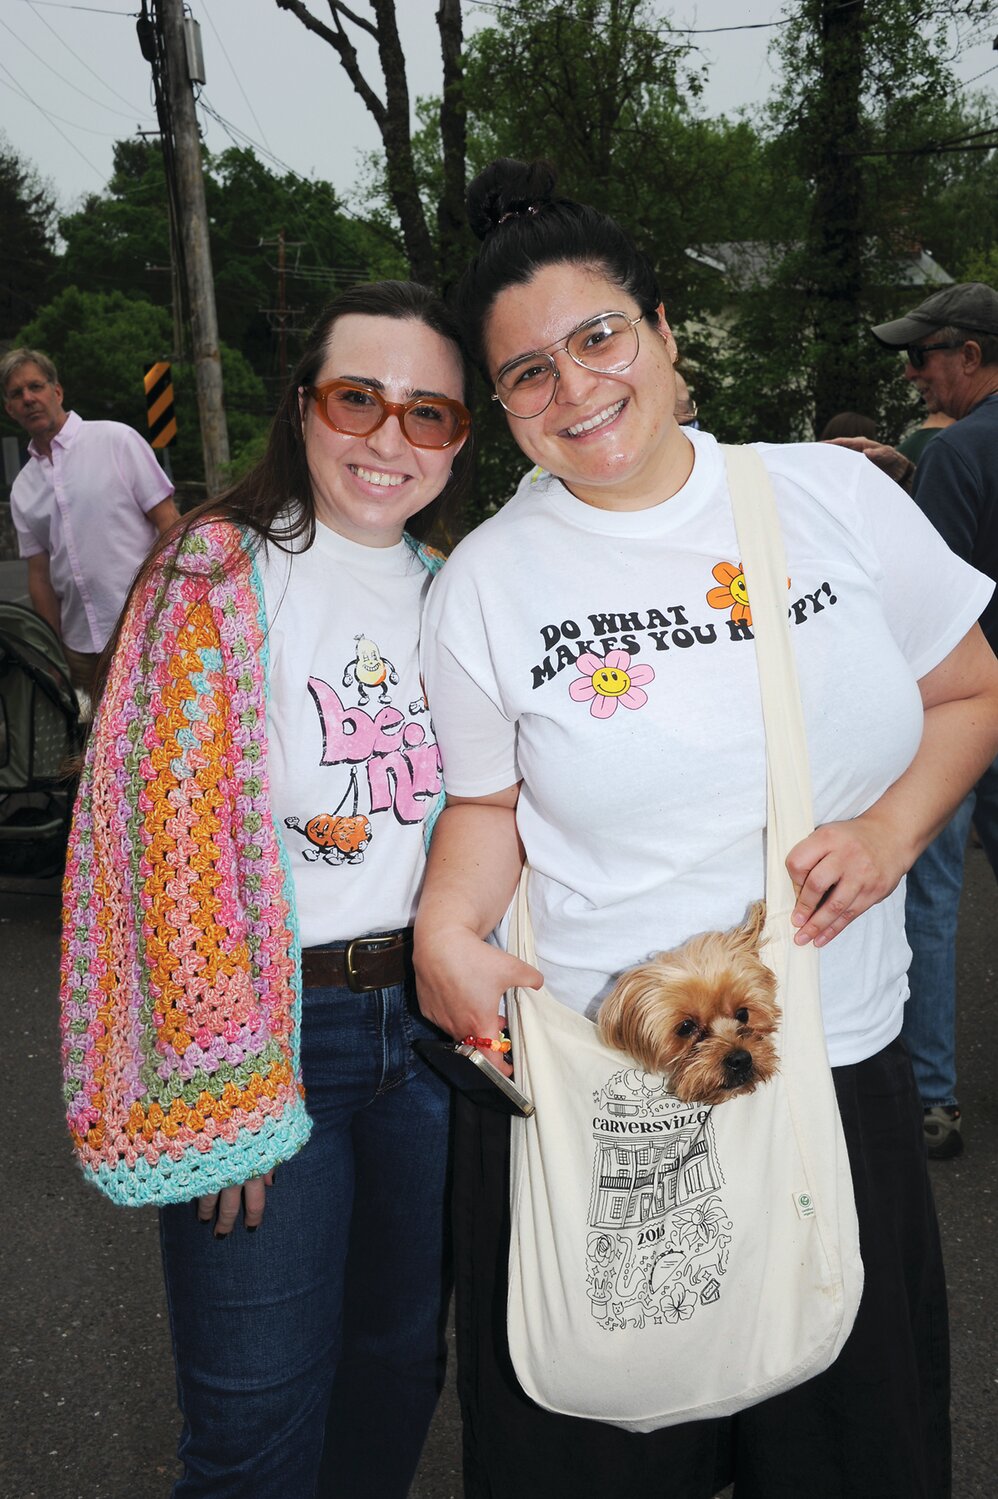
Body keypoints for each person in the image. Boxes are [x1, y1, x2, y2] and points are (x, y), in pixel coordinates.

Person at [413, 161, 998, 1499]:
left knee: (845, 1454)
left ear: (664, 329)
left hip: (828, 1062)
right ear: (501, 407)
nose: (576, 390)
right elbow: (486, 802)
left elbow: (966, 688)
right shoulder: (490, 583)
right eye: (527, 374)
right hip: (610, 1101)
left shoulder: (829, 497)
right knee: (610, 1454)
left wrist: (891, 829)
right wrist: (445, 925)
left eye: (598, 337)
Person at [59, 282, 473, 1498]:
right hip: (272, 1034)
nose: (389, 439)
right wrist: (222, 1077)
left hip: (432, 1035)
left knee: (399, 1367)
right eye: (360, 398)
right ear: (304, 407)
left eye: (430, 413)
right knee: (252, 1422)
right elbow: (159, 843)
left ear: (458, 438)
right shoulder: (215, 569)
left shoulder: (458, 583)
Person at [830, 281, 998, 1158]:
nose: (914, 376)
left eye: (923, 356)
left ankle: (934, 1098)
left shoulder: (958, 453)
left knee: (930, 902)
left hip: (963, 706)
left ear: (969, 355)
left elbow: (922, 600)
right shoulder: (950, 451)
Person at [1, 347, 180, 700]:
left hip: (145, 628)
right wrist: (51, 652)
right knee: (93, 745)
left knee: (159, 732)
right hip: (79, 649)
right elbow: (39, 576)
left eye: (35, 386)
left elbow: (169, 524)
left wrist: (174, 607)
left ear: (57, 391)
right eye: (16, 394)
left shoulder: (116, 441)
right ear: (9, 409)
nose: (28, 398)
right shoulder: (23, 488)